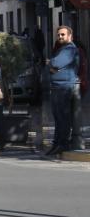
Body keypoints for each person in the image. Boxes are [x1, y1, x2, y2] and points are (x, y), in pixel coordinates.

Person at [45, 26, 79, 156]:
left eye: (63, 35)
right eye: (58, 35)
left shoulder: (70, 49)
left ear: (70, 36)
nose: (60, 37)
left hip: (64, 87)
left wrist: (50, 63)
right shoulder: (62, 49)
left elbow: (55, 63)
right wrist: (51, 65)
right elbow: (52, 66)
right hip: (57, 86)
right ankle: (57, 143)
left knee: (63, 118)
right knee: (58, 118)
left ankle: (63, 144)